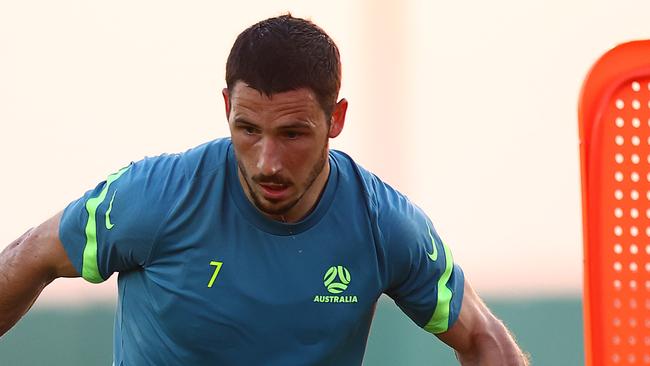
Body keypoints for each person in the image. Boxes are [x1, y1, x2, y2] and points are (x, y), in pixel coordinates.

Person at [0, 14, 528, 365]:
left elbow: (483, 337)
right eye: (248, 130)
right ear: (227, 107)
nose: (267, 162)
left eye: (293, 134)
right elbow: (29, 257)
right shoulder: (155, 197)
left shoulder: (382, 224)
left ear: (336, 118)